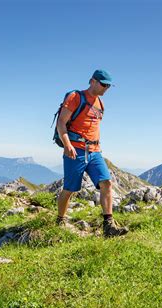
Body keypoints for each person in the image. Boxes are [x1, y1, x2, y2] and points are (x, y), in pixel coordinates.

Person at [56, 69, 129, 237]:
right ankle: (60, 220)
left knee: (107, 183)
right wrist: (67, 145)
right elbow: (62, 122)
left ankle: (108, 226)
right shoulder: (76, 97)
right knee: (69, 189)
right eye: (104, 84)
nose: (106, 88)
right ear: (92, 81)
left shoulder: (100, 104)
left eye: (109, 86)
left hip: (95, 151)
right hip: (76, 149)